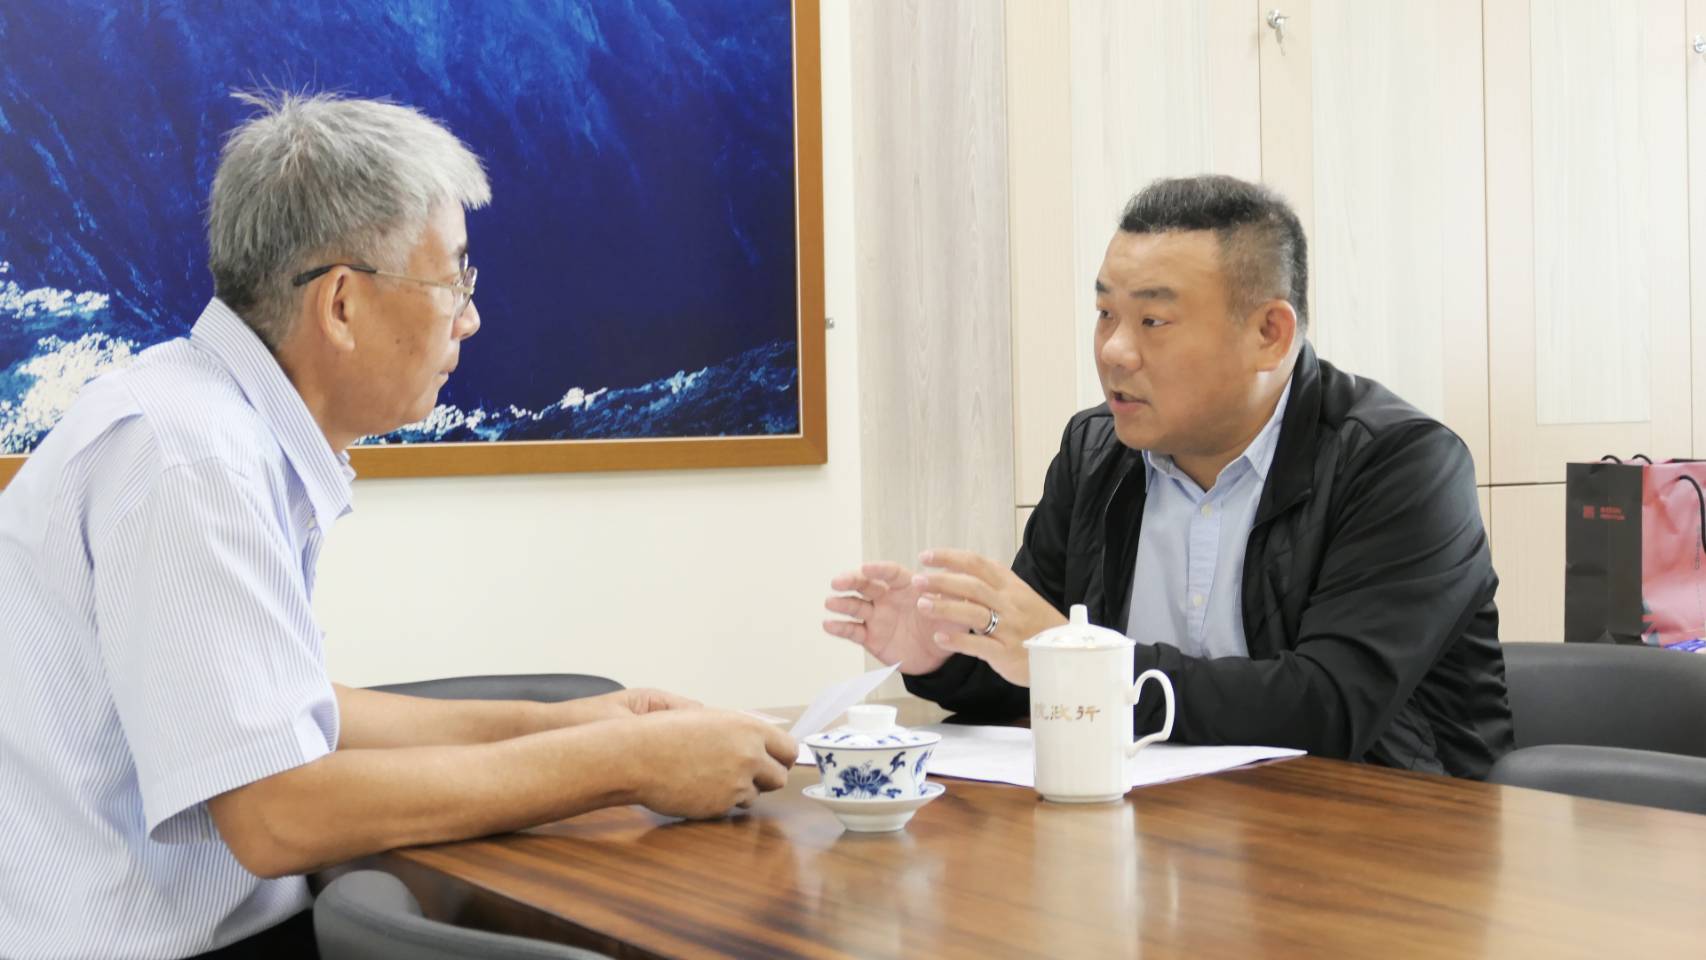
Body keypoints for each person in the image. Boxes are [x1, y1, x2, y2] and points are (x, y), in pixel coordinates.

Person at [0, 92, 797, 960]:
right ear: (342, 304)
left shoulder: (202, 421)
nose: (470, 316)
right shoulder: (193, 461)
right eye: (453, 279)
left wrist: (584, 725)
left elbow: (286, 713)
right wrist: (629, 767)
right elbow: (276, 813)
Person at [825, 174, 1512, 781]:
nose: (1114, 351)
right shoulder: (1096, 452)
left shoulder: (1400, 464)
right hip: (1166, 838)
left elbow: (1326, 708)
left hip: (1389, 842)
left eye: (1153, 320)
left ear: (1269, 334)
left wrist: (1076, 662)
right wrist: (943, 653)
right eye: (1105, 314)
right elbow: (1030, 677)